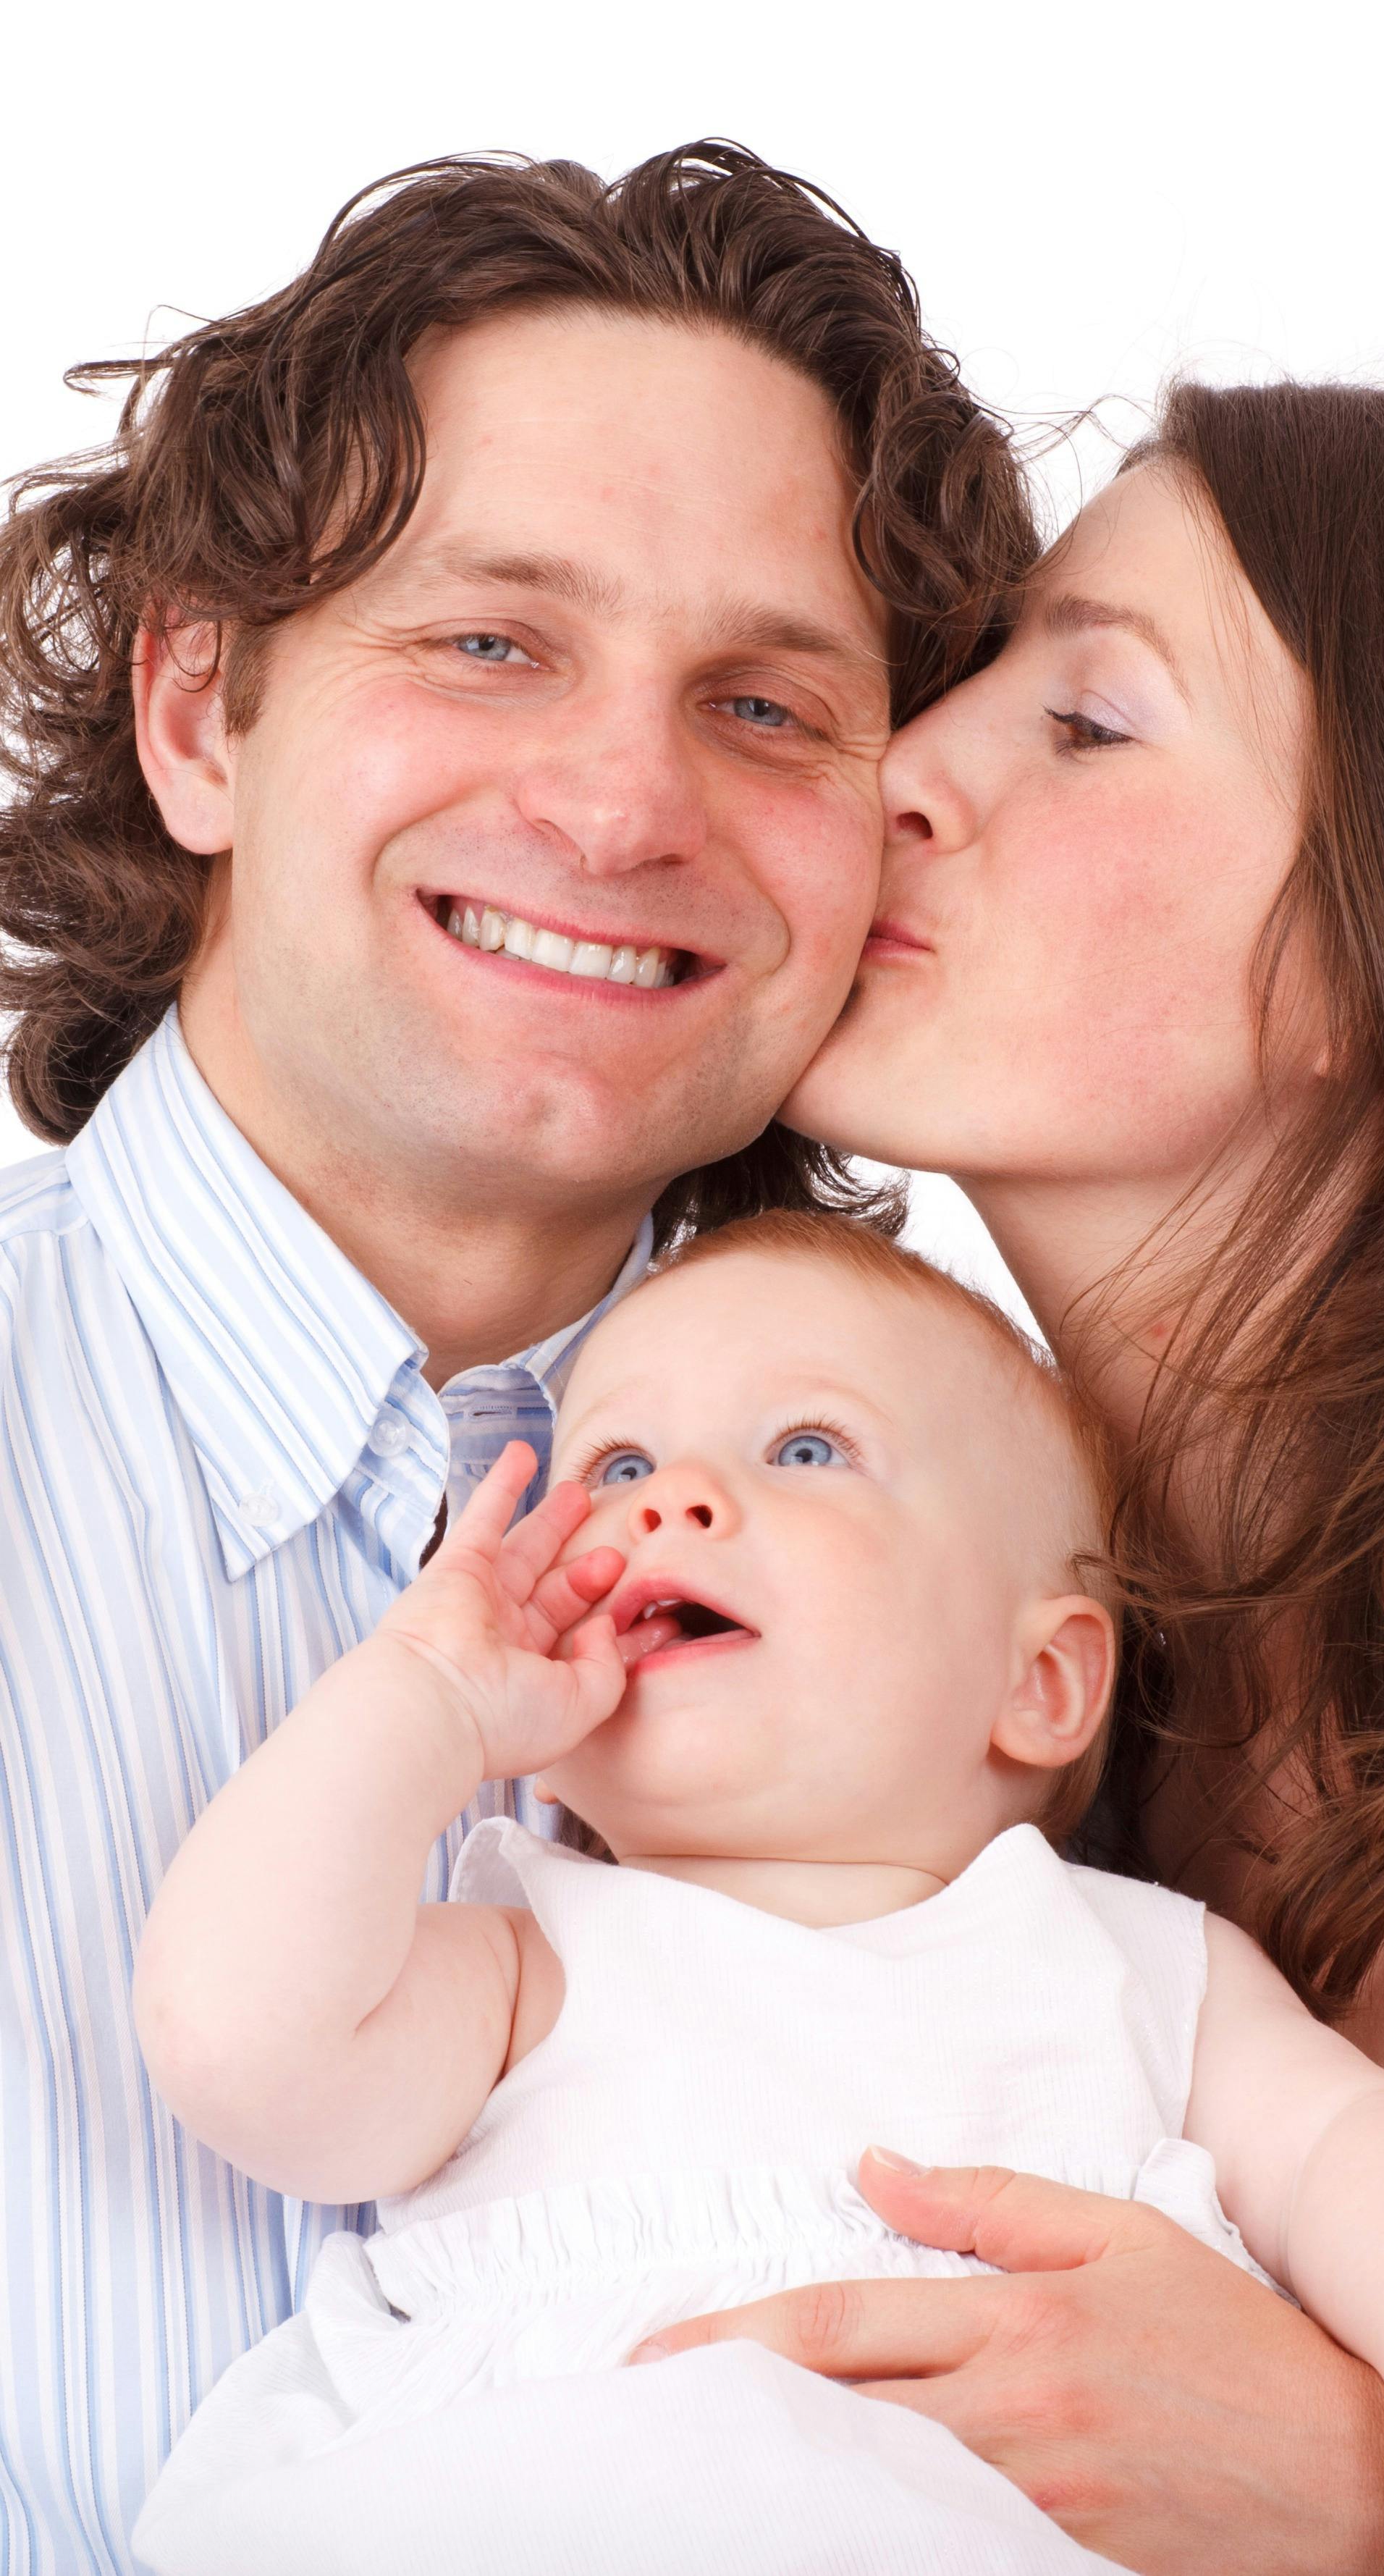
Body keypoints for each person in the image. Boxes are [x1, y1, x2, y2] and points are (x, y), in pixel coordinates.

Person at [0, 146, 1034, 2571]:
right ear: (197, 712)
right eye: (488, 642)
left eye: (763, 704)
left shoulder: (1016, 1544)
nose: (620, 801)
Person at [635, 382, 1384, 2566]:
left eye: (1088, 720)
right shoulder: (976, 1645)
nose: (901, 768)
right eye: (970, 682)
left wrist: (1370, 2477)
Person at [130, 1212, 1384, 2576]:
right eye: (618, 1464)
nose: (671, 1499)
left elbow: (1370, 2166)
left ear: (1040, 1680)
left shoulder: (1137, 1968)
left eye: (808, 1448)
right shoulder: (532, 1966)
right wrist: (425, 1698)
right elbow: (241, 2047)